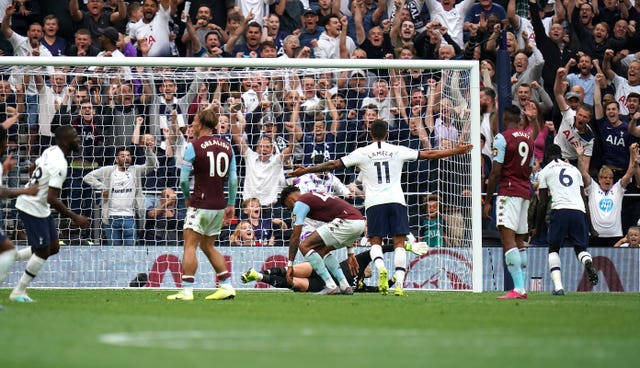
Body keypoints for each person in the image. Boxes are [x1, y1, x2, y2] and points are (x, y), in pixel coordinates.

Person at [288, 119, 472, 296]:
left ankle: (381, 268)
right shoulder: (397, 150)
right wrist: (455, 151)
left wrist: (306, 170)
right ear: (387, 133)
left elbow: (333, 164)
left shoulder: (362, 152)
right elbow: (429, 154)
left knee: (376, 242)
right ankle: (399, 284)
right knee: (399, 243)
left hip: (374, 203)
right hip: (396, 200)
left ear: (370, 133)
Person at [9, 125, 90, 302]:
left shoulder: (51, 150)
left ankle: (8, 257)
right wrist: (75, 217)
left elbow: (33, 167)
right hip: (31, 207)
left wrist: (34, 184)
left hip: (39, 206)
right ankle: (18, 292)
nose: (78, 139)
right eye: (75, 137)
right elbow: (52, 198)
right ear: (64, 140)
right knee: (43, 250)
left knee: (53, 247)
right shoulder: (59, 163)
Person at [167, 109, 238, 301]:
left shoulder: (194, 146)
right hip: (219, 204)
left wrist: (187, 197)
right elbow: (233, 180)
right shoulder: (227, 146)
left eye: (194, 122)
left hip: (200, 203)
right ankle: (226, 286)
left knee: (190, 245)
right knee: (209, 246)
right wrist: (231, 204)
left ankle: (187, 290)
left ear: (199, 123)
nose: (192, 125)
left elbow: (183, 180)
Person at [483, 105, 534, 300]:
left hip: (508, 191)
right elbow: (529, 169)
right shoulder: (528, 138)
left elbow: (495, 171)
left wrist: (488, 200)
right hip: (524, 190)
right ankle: (522, 286)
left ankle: (519, 288)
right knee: (520, 240)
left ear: (505, 118)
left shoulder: (502, 138)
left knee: (507, 238)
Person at [534, 143, 599, 296]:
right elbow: (584, 199)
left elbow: (542, 202)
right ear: (561, 155)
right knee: (580, 249)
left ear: (546, 156)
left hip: (560, 210)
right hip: (579, 212)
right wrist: (591, 227)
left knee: (554, 249)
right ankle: (587, 262)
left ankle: (558, 287)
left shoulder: (545, 171)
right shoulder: (574, 170)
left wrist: (537, 227)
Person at [279, 185, 366, 295]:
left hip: (347, 221)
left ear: (290, 200)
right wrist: (350, 252)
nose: (291, 210)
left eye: (289, 207)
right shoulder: (314, 197)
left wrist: (290, 264)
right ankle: (344, 286)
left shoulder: (300, 203)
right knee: (321, 250)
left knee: (304, 246)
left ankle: (330, 285)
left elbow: (295, 237)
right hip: (359, 222)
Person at [240, 243, 428, 292]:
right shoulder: (360, 262)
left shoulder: (361, 286)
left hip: (322, 286)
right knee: (293, 270)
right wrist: (406, 247)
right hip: (322, 270)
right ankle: (258, 273)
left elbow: (380, 288)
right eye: (372, 266)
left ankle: (258, 276)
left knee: (293, 284)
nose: (371, 270)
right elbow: (379, 249)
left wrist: (395, 279)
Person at [83, 146, 158, 246]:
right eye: (123, 156)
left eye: (128, 156)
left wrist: (148, 151)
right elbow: (87, 177)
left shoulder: (136, 170)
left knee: (131, 250)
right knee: (114, 251)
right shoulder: (108, 170)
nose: (126, 158)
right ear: (116, 159)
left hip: (129, 217)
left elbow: (151, 165)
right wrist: (102, 187)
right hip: (111, 218)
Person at [577, 143, 639, 247]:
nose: (608, 180)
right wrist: (580, 156)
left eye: (610, 178)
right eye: (605, 177)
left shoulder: (618, 188)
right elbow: (582, 173)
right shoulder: (593, 187)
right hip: (595, 235)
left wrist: (634, 158)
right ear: (599, 179)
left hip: (615, 235)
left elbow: (629, 173)